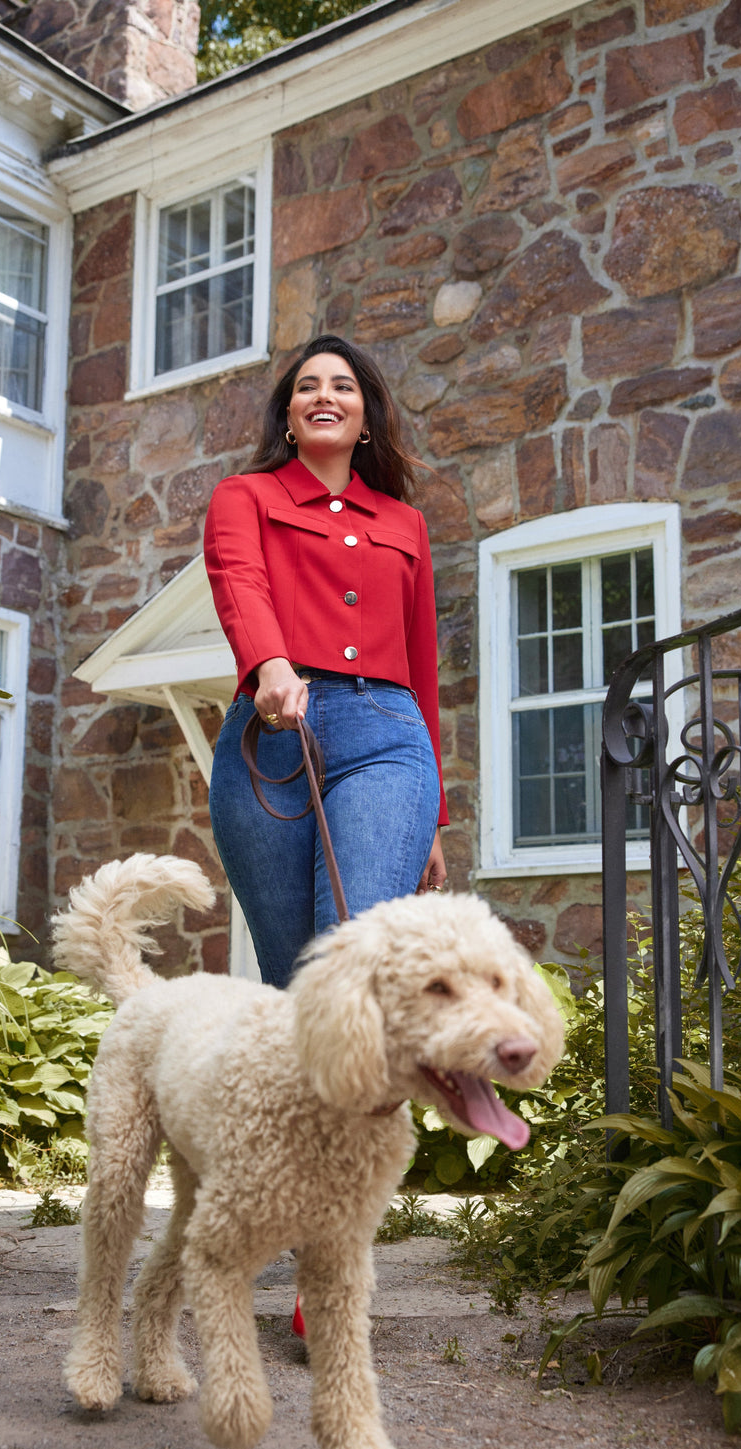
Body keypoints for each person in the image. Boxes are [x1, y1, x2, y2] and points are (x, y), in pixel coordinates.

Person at [204, 334, 448, 992]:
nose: (324, 395)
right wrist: (271, 665)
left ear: (366, 415)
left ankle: (366, 1096)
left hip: (385, 740)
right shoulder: (244, 495)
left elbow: (422, 666)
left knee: (350, 963)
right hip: (269, 740)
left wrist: (433, 822)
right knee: (295, 984)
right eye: (307, 386)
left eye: (342, 385)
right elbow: (239, 582)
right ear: (287, 415)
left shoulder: (406, 523)